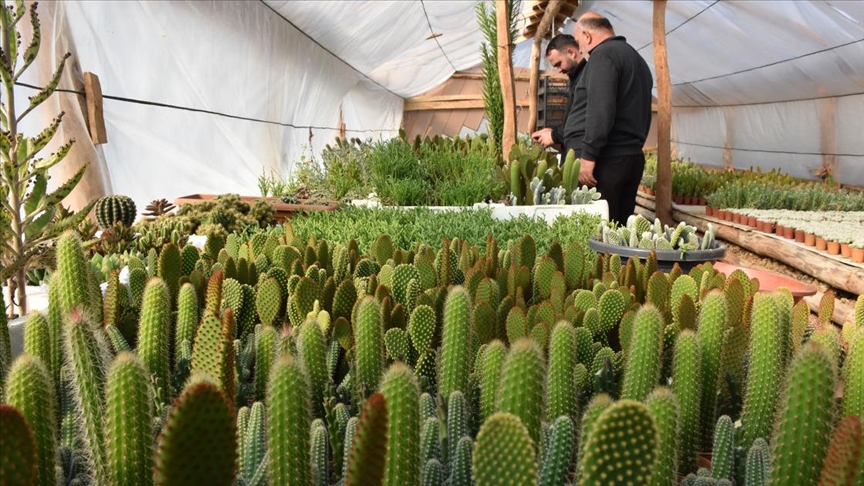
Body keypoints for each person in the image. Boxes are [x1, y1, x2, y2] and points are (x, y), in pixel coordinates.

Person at [573, 13, 654, 225]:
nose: (581, 49)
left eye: (579, 42)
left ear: (587, 36)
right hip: (632, 158)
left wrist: (588, 157)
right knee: (620, 229)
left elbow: (601, 109)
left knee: (600, 231)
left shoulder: (603, 56)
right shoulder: (637, 60)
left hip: (609, 161)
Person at [531, 34, 587, 160]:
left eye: (558, 64)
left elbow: (582, 122)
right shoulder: (576, 78)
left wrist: (554, 136)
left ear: (571, 52)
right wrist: (552, 132)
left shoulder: (587, 78)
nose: (559, 70)